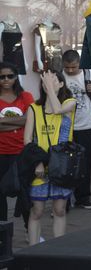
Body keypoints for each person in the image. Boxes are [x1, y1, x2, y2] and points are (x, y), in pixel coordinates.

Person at [23, 70, 77, 245]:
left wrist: (51, 91)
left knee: (60, 209)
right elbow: (28, 140)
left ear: (62, 84)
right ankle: (33, 248)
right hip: (40, 167)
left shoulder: (70, 102)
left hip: (62, 166)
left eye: (53, 79)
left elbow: (57, 109)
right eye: (45, 80)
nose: (48, 82)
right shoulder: (34, 108)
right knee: (37, 210)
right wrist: (37, 162)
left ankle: (58, 249)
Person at [61, 49, 91, 210]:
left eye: (73, 67)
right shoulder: (59, 76)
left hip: (86, 124)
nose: (70, 70)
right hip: (65, 127)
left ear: (79, 63)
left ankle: (83, 197)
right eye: (67, 67)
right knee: (65, 165)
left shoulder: (89, 73)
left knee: (85, 163)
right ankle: (64, 201)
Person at [0, 62, 33, 225]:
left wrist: (3, 122)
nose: (6, 80)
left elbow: (30, 119)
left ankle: (30, 229)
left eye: (10, 76)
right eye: (2, 77)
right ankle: (2, 234)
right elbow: (24, 120)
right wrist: (20, 121)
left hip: (21, 151)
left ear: (16, 78)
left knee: (24, 191)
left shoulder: (25, 96)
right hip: (1, 152)